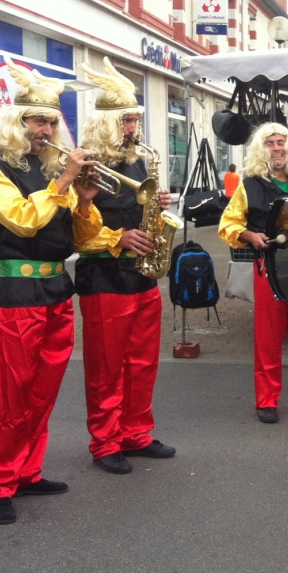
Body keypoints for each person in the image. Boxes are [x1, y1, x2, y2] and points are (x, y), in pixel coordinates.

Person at [0, 58, 103, 524]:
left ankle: (27, 471)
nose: (46, 128)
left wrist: (84, 201)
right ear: (17, 120)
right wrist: (65, 181)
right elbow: (22, 220)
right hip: (17, 293)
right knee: (12, 396)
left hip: (57, 292)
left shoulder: (52, 172)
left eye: (51, 120)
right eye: (37, 119)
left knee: (43, 393)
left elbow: (84, 240)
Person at [73, 58, 176, 475]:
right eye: (127, 120)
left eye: (135, 119)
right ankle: (105, 440)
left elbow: (141, 204)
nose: (133, 128)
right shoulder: (86, 164)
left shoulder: (138, 159)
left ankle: (136, 432)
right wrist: (118, 238)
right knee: (106, 367)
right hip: (104, 276)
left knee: (142, 361)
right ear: (107, 122)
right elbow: (77, 229)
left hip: (142, 274)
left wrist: (159, 204)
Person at [218, 122, 288, 423]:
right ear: (261, 149)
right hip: (268, 268)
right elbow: (227, 225)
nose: (277, 147)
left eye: (281, 142)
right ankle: (266, 400)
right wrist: (249, 236)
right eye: (270, 143)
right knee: (268, 338)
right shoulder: (249, 184)